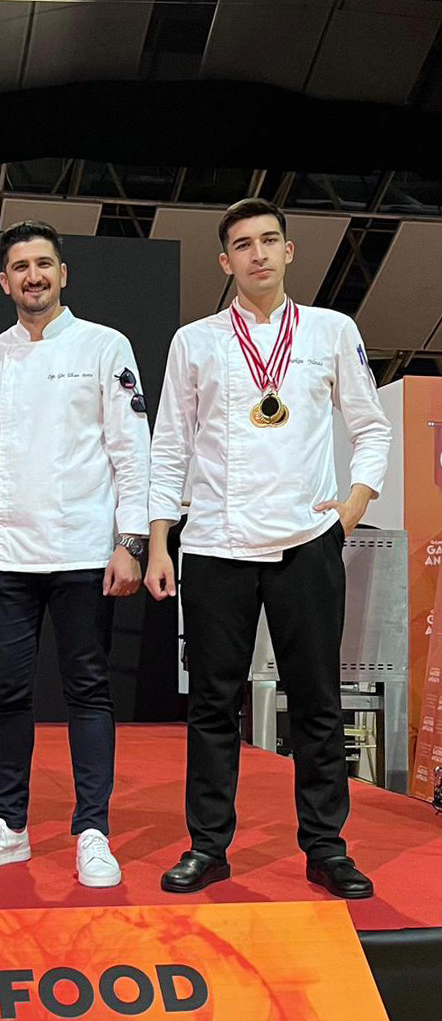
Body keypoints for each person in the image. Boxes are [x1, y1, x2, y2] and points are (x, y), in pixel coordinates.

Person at [145, 197, 391, 899]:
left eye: (268, 240)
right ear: (226, 262)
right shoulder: (194, 341)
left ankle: (327, 847)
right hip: (215, 543)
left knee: (317, 702)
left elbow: (370, 427)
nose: (257, 254)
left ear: (289, 251)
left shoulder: (331, 330)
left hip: (306, 541)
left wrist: (353, 506)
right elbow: (170, 445)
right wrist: (159, 541)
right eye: (243, 245)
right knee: (211, 706)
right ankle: (208, 847)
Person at [0, 221, 151, 888]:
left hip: (84, 548)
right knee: (6, 692)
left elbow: (131, 452)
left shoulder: (106, 346)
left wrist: (130, 542)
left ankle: (93, 831)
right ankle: (10, 825)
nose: (34, 276)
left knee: (88, 690)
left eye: (44, 264)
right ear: (5, 281)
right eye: (21, 267)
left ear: (63, 273)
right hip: (5, 553)